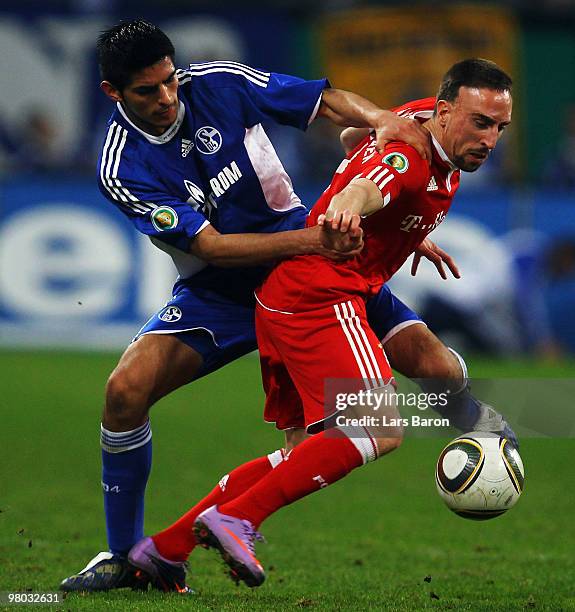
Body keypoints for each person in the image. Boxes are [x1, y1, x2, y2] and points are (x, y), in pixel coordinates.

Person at [60, 20, 514, 592]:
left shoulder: (219, 83)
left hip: (324, 260)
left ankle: (167, 550)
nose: (168, 97)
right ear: (114, 92)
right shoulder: (121, 164)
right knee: (125, 392)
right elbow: (212, 248)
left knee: (437, 372)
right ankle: (125, 554)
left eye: (170, 81)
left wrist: (381, 133)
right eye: (148, 91)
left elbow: (329, 108)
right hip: (244, 282)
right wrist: (326, 233)